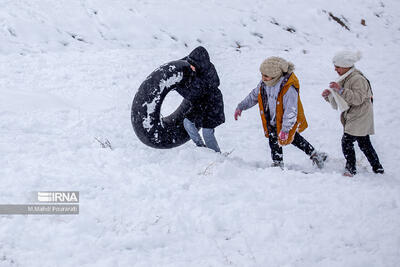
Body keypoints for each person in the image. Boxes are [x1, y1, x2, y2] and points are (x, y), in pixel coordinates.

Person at [235, 56, 327, 168]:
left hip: (286, 120)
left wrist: (285, 129)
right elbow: (254, 95)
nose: (263, 78)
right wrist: (241, 106)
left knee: (294, 138)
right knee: (273, 139)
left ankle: (315, 154)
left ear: (275, 76)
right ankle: (277, 162)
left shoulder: (288, 88)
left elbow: (291, 110)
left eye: (266, 76)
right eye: (262, 75)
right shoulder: (264, 84)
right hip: (272, 119)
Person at [322, 51, 384, 176]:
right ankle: (377, 168)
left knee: (347, 141)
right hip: (355, 114)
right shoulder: (346, 77)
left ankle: (350, 168)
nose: (335, 69)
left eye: (338, 66)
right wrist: (329, 96)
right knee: (364, 142)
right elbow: (341, 97)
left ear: (346, 66)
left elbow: (357, 99)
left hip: (360, 115)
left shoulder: (357, 79)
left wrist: (340, 90)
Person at [181, 46, 225, 152]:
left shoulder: (208, 74)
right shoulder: (195, 65)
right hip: (199, 103)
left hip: (212, 104)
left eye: (192, 65)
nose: (190, 67)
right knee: (187, 123)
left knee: (207, 132)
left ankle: (215, 153)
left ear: (199, 64)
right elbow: (180, 62)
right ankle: (200, 147)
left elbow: (194, 92)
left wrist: (179, 88)